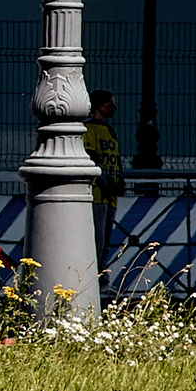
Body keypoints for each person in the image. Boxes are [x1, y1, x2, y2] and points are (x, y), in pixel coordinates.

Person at [83, 88, 125, 272]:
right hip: (98, 192)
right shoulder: (88, 129)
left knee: (106, 239)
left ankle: (102, 276)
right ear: (98, 107)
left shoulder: (109, 130)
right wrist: (105, 180)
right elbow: (92, 157)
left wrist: (119, 179)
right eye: (109, 105)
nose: (113, 108)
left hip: (111, 192)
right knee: (97, 239)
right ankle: (96, 276)